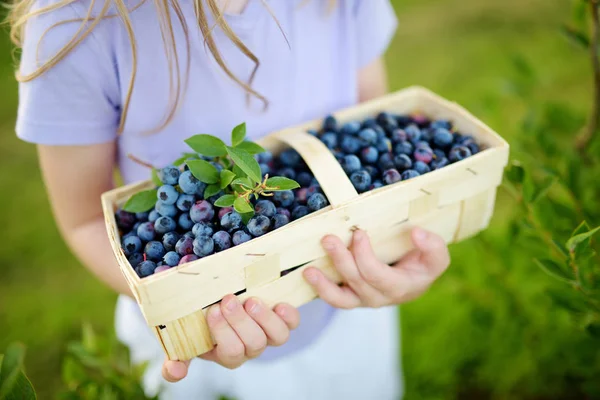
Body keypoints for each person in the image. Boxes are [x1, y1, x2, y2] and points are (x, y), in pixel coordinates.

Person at [11, 0, 451, 398]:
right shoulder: (76, 21)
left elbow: (374, 140)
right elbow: (87, 220)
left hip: (345, 317)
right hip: (191, 342)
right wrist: (184, 312)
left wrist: (398, 257)